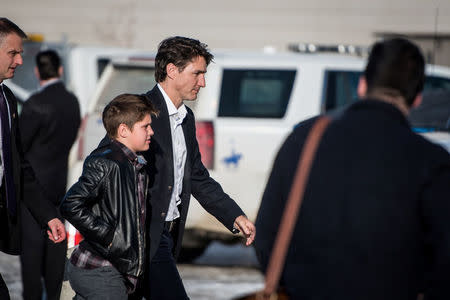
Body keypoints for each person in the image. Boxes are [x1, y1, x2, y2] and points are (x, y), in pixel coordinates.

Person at [254, 37, 450, 299]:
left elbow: (267, 234)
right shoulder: (432, 161)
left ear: (362, 85)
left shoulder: (303, 140)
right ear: (417, 99)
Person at [120, 36, 254, 300]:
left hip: (169, 235)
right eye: (197, 74)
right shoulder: (138, 112)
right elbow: (109, 165)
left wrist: (234, 215)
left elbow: (197, 177)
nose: (202, 82)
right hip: (142, 236)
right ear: (172, 70)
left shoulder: (186, 118)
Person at [60, 93, 157, 299]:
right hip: (100, 268)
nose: (151, 131)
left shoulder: (134, 164)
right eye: (145, 126)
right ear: (123, 130)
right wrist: (109, 237)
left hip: (117, 269)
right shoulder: (106, 163)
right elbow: (71, 204)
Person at [0, 17, 66, 300]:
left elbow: (18, 165)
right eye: (12, 53)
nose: (19, 61)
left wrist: (48, 215)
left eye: (20, 54)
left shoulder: (7, 99)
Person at [19, 49, 81, 300]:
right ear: (60, 70)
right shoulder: (72, 102)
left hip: (33, 190)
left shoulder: (35, 103)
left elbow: (17, 148)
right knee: (55, 253)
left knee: (32, 262)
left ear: (36, 72)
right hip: (59, 185)